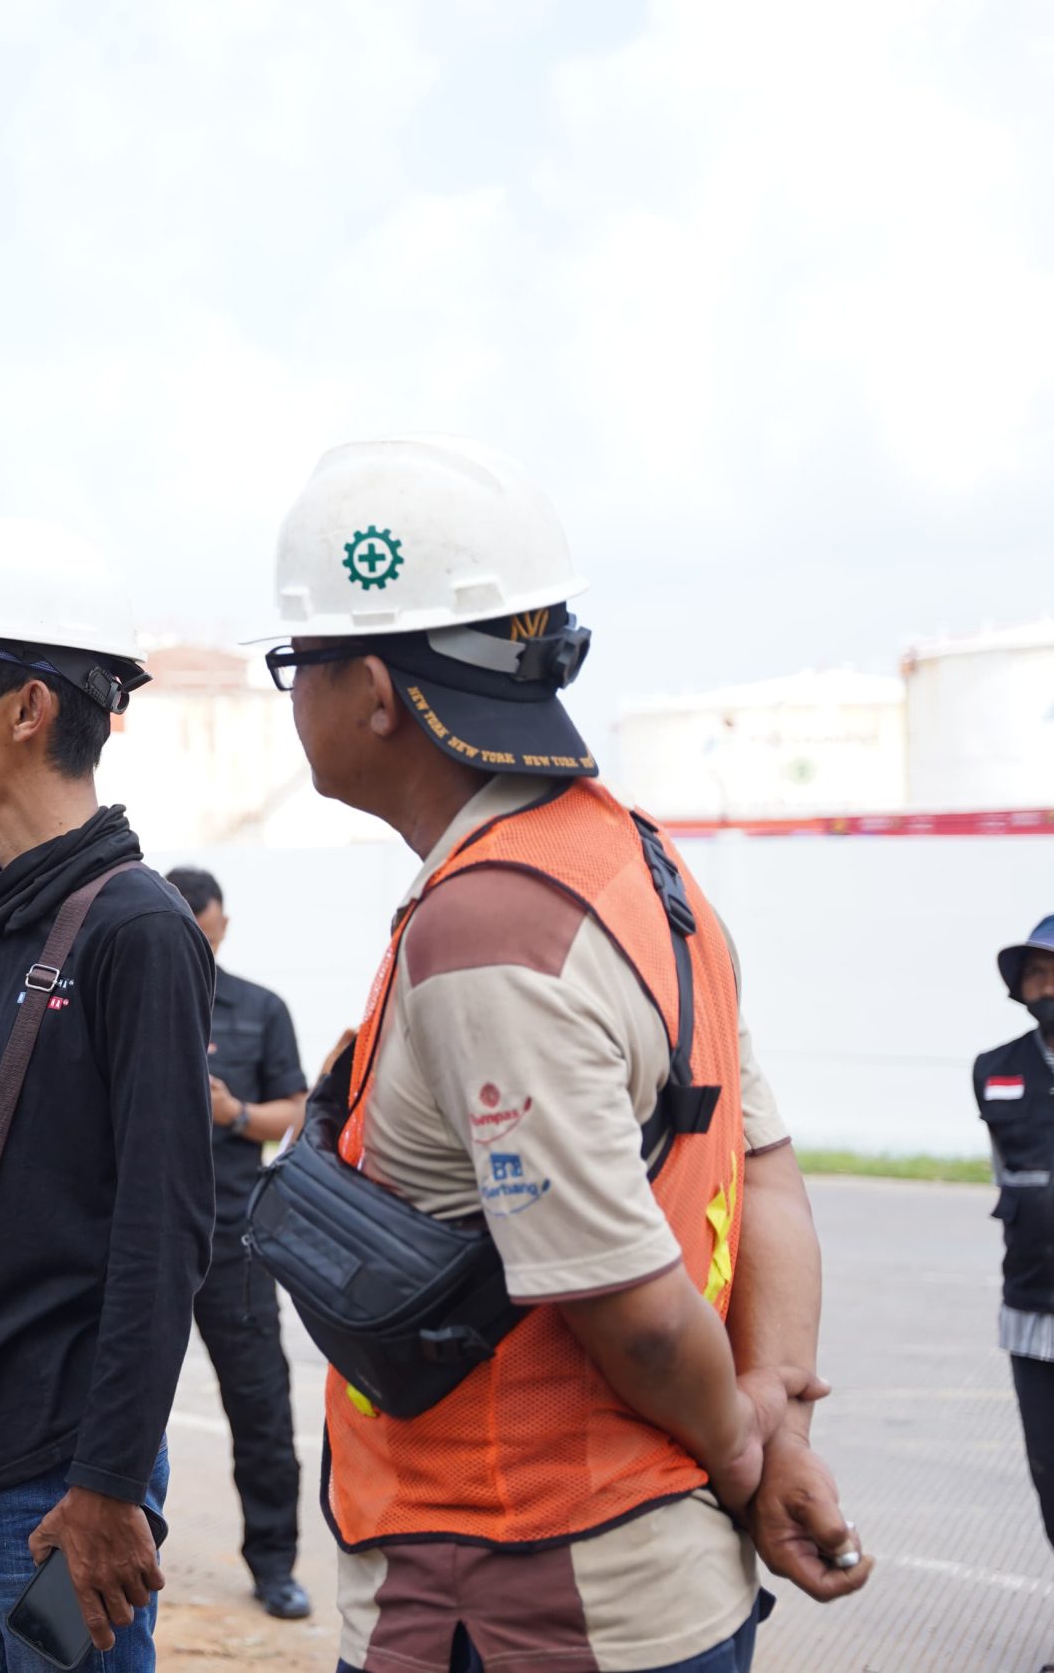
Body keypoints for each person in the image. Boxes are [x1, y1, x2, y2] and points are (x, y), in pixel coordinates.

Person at [256, 435, 871, 1672]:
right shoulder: (640, 865)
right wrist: (780, 1408)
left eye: (295, 661)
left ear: (375, 693)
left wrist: (754, 1463)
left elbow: (630, 1308)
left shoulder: (486, 924)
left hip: (520, 1596)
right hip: (641, 1585)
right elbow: (768, 1172)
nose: (293, 697)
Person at [0, 519, 216, 1673]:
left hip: (64, 1494)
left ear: (28, 709)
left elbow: (164, 1235)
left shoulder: (137, 929)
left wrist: (108, 1484)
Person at [160, 866, 312, 1622]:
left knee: (261, 1406)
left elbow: (295, 1111)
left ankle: (275, 1563)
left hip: (233, 1236)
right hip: (142, 1240)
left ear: (222, 923)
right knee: (107, 1406)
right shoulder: (136, 997)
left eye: (202, 919)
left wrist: (234, 1112)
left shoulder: (259, 1008)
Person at [978, 914, 1054, 1553]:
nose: (1046, 985)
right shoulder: (993, 1069)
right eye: (1036, 973)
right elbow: (1008, 1174)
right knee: (1049, 1476)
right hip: (1031, 1313)